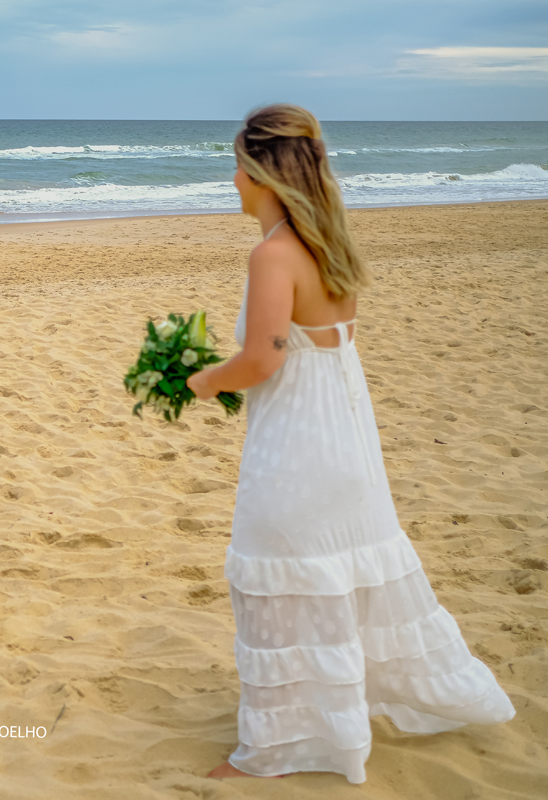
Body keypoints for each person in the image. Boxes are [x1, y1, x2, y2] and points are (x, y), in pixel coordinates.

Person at [185, 104, 514, 783]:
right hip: (345, 441)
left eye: (238, 169)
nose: (233, 184)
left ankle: (275, 749)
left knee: (277, 582)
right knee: (331, 578)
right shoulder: (326, 246)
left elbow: (264, 360)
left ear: (262, 173)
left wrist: (205, 380)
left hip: (298, 448)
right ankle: (333, 721)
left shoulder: (274, 254)